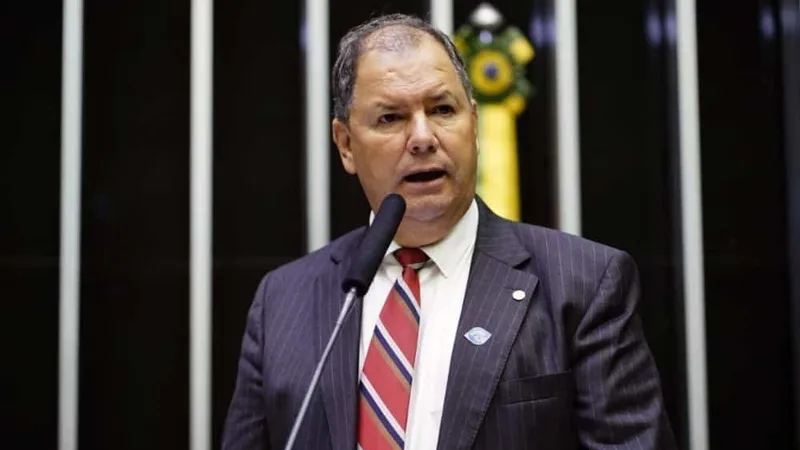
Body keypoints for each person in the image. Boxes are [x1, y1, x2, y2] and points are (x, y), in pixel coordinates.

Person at [222, 13, 677, 450]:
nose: (423, 138)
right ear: (345, 146)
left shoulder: (582, 285)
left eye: (442, 109)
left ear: (473, 124)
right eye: (390, 118)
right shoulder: (283, 300)